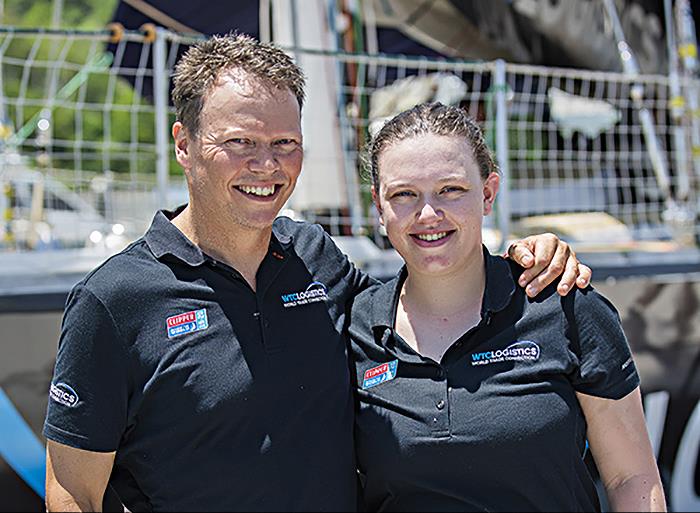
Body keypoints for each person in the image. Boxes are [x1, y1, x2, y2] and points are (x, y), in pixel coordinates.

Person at [43, 34, 592, 512]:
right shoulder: (114, 301)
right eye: (240, 143)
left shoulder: (316, 258)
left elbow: (424, 296)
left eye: (285, 143)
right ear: (184, 145)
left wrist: (523, 257)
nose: (266, 164)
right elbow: (72, 495)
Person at [348, 102, 666, 512]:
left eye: (451, 190)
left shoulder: (563, 304)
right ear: (379, 206)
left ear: (487, 194)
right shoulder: (353, 328)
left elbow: (632, 478)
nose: (428, 213)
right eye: (404, 194)